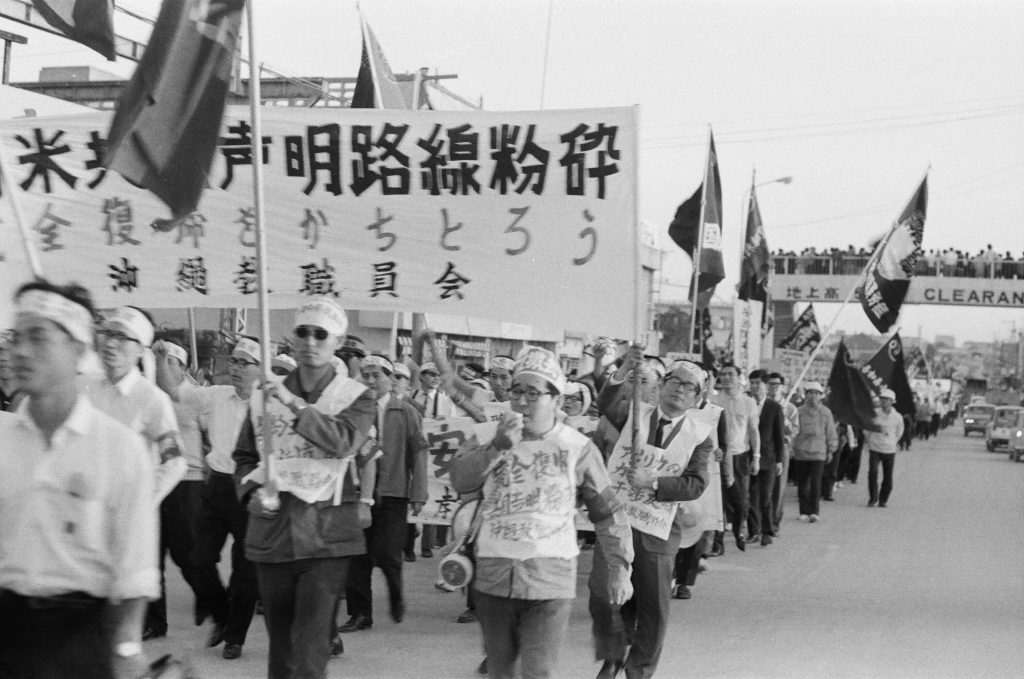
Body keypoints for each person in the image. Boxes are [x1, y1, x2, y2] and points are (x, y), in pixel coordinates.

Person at [0, 280, 158, 678]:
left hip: (81, 639)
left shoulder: (119, 448)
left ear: (78, 349)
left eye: (38, 337)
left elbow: (135, 569)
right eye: (16, 337)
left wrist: (126, 648)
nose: (19, 351)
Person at [450, 347, 634, 679]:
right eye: (516, 391)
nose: (521, 401)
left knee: (538, 671)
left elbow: (608, 514)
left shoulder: (578, 448)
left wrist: (620, 568)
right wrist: (497, 447)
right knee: (501, 671)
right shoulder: (487, 435)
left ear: (556, 399)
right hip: (493, 574)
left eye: (533, 393)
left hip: (550, 580)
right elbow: (460, 479)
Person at [233, 298, 377, 679]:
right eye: (303, 332)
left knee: (310, 645)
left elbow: (343, 441)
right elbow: (244, 457)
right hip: (273, 532)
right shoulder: (264, 395)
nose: (310, 341)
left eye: (321, 334)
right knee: (280, 645)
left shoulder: (357, 396)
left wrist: (293, 404)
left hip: (327, 535)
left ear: (338, 341)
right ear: (293, 337)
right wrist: (249, 495)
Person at [590, 348, 715, 679]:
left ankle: (639, 669)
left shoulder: (699, 436)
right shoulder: (634, 413)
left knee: (653, 604)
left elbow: (696, 483)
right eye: (674, 381)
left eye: (689, 386)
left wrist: (655, 482)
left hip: (658, 528)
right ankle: (613, 656)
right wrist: (622, 370)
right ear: (661, 385)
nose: (679, 389)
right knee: (604, 595)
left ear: (697, 398)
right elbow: (606, 403)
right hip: (617, 522)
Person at [83, 305, 187, 640]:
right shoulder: (86, 390)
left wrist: (142, 501)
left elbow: (174, 461)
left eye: (122, 337)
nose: (110, 343)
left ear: (141, 350)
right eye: (107, 334)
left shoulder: (152, 400)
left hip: (127, 518)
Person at [340, 354, 428, 633]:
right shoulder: (352, 409)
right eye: (365, 375)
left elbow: (419, 451)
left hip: (393, 492)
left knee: (388, 552)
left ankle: (396, 592)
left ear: (390, 379)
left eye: (376, 375)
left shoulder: (406, 412)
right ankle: (360, 613)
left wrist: (419, 492)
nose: (370, 380)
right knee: (357, 556)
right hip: (357, 492)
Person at [189, 338, 264, 660]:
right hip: (218, 485)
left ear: (260, 369)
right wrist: (164, 359)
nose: (235, 368)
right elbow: (176, 391)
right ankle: (222, 615)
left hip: (251, 487)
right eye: (233, 361)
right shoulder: (216, 395)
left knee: (246, 570)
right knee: (197, 559)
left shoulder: (268, 405)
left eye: (244, 362)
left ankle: (235, 637)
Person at [151, 340, 209, 627]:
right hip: (156, 481)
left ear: (184, 368)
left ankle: (208, 596)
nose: (162, 366)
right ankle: (154, 622)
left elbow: (211, 437)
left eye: (169, 361)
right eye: (159, 360)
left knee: (185, 552)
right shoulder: (150, 394)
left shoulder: (193, 395)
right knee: (153, 554)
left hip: (188, 482)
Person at [710, 363, 760, 549]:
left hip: (739, 456)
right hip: (717, 456)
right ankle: (717, 543)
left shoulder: (748, 402)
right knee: (718, 501)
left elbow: (753, 431)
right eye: (723, 374)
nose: (726, 377)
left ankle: (739, 531)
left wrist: (756, 456)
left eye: (731, 374)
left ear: (739, 378)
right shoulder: (713, 401)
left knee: (740, 501)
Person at [791, 382, 838, 523]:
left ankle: (814, 511)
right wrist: (792, 447)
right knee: (802, 484)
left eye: (816, 393)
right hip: (801, 452)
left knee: (816, 484)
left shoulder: (826, 412)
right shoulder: (799, 411)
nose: (813, 396)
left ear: (821, 396)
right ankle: (803, 511)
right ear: (806, 395)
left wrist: (831, 450)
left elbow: (830, 432)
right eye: (811, 393)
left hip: (818, 453)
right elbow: (794, 431)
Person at [747, 370, 785, 546]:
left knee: (765, 497)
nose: (754, 386)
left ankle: (767, 531)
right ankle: (753, 531)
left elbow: (779, 435)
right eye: (752, 383)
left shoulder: (774, 407)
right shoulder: (745, 403)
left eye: (758, 383)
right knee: (750, 497)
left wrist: (779, 460)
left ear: (765, 385)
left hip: (768, 458)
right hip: (747, 456)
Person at [765, 372, 797, 535]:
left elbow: (795, 431)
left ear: (782, 387)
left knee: (779, 486)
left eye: (776, 385)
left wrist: (783, 420)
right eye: (770, 384)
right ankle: (760, 522)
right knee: (762, 486)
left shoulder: (790, 408)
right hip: (764, 447)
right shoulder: (761, 404)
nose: (773, 388)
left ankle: (774, 522)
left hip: (781, 448)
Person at [866, 388, 905, 508]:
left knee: (888, 475)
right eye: (882, 399)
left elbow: (899, 431)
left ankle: (883, 499)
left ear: (892, 401)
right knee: (873, 472)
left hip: (889, 449)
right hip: (875, 447)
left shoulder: (897, 417)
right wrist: (870, 440)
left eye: (887, 399)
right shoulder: (874, 413)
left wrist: (892, 441)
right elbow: (867, 428)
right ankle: (873, 497)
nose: (884, 401)